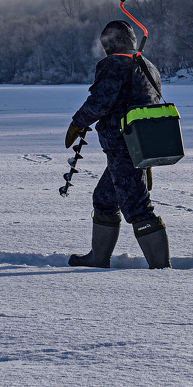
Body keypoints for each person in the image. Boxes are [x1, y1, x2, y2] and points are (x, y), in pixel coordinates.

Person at [64, 20, 170, 269]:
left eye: (106, 44)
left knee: (138, 207)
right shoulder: (147, 65)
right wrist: (146, 153)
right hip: (138, 144)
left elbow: (100, 102)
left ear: (113, 43)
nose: (104, 50)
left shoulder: (115, 64)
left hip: (124, 145)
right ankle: (98, 258)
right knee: (103, 198)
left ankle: (162, 269)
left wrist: (77, 123)